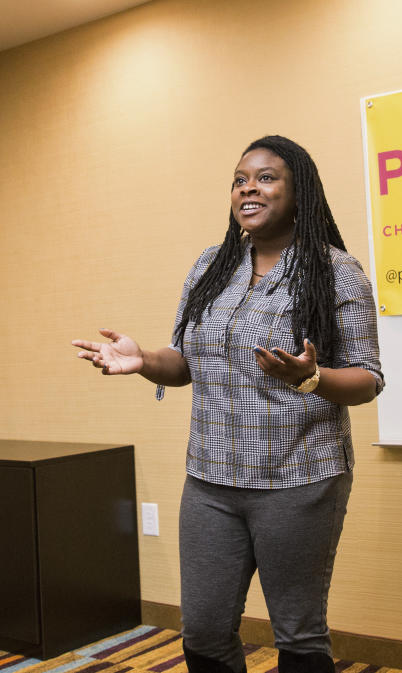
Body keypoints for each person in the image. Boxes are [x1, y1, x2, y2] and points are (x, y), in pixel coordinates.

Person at [72, 136, 384, 673]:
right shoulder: (211, 267)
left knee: (299, 635)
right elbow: (185, 362)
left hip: (299, 477)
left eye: (265, 178)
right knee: (204, 632)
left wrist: (312, 378)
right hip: (211, 480)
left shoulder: (336, 270)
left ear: (299, 191)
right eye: (240, 180)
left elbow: (367, 378)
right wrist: (143, 358)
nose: (248, 188)